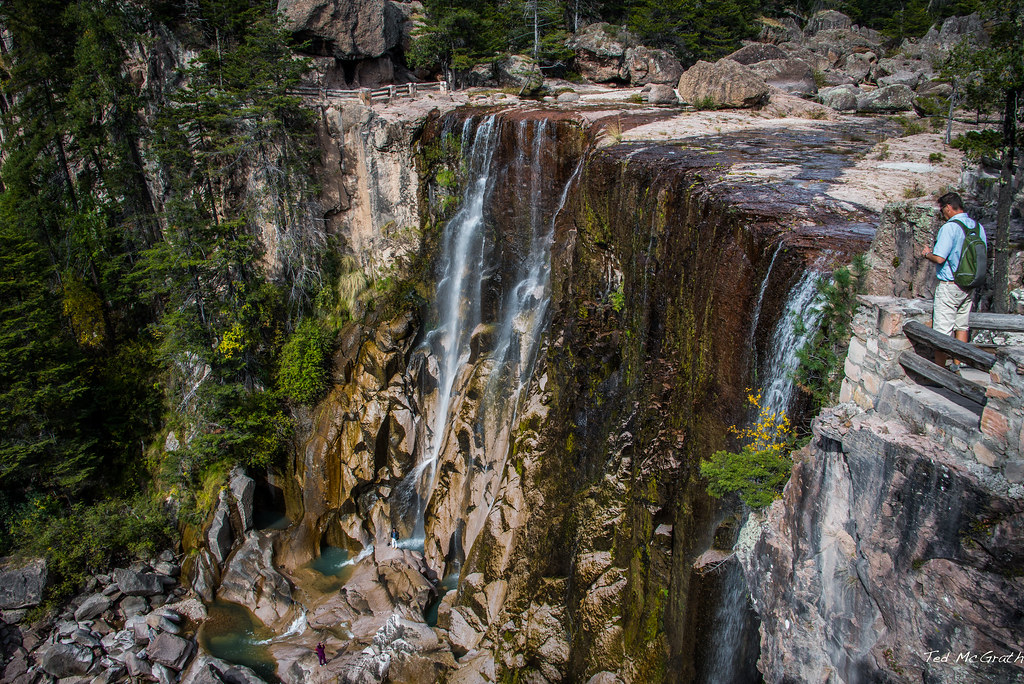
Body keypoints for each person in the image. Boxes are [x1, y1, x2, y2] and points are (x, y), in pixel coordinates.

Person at [920, 192, 987, 371]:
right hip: (969, 285)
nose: (943, 214)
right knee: (962, 327)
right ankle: (958, 366)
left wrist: (927, 253)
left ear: (948, 208)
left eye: (943, 210)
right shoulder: (977, 227)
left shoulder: (950, 228)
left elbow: (940, 258)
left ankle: (939, 372)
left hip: (950, 285)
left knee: (942, 331)